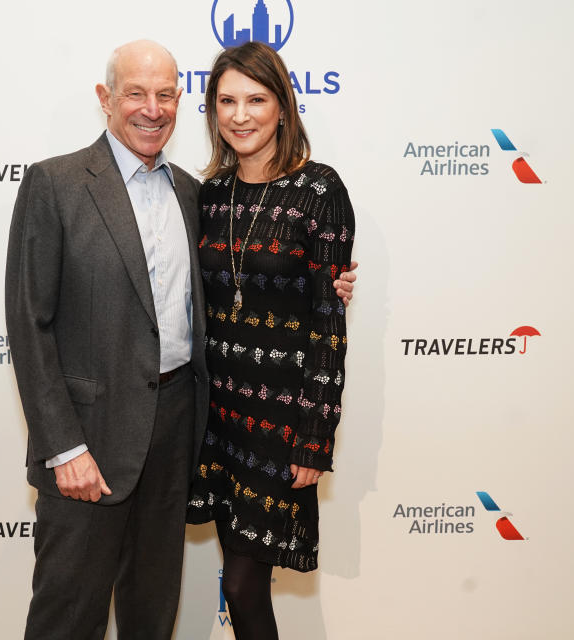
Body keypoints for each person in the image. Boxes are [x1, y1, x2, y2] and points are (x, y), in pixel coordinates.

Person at [6, 40, 356, 640]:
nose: (152, 108)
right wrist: (63, 447)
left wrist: (327, 289)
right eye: (136, 93)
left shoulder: (193, 191)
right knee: (67, 616)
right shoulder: (57, 183)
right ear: (105, 99)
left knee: (152, 612)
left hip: (181, 431)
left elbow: (260, 293)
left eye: (165, 94)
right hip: (93, 439)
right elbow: (28, 324)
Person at [186, 42, 355, 640]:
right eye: (226, 100)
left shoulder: (320, 191)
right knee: (240, 581)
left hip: (281, 420)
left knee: (240, 584)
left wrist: (315, 436)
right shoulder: (209, 195)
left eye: (256, 99)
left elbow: (328, 325)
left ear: (283, 105)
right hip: (218, 417)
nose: (240, 115)